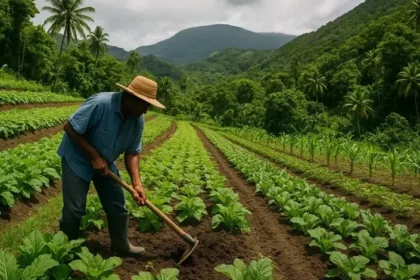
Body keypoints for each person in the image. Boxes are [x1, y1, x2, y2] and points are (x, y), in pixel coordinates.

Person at [57, 76, 165, 256]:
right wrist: (94, 155)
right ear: (131, 98)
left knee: (117, 204)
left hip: (105, 163)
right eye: (145, 105)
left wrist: (137, 183)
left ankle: (121, 245)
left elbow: (132, 152)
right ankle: (65, 250)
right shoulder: (101, 104)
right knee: (74, 208)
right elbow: (69, 127)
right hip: (77, 158)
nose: (146, 111)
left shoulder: (136, 121)